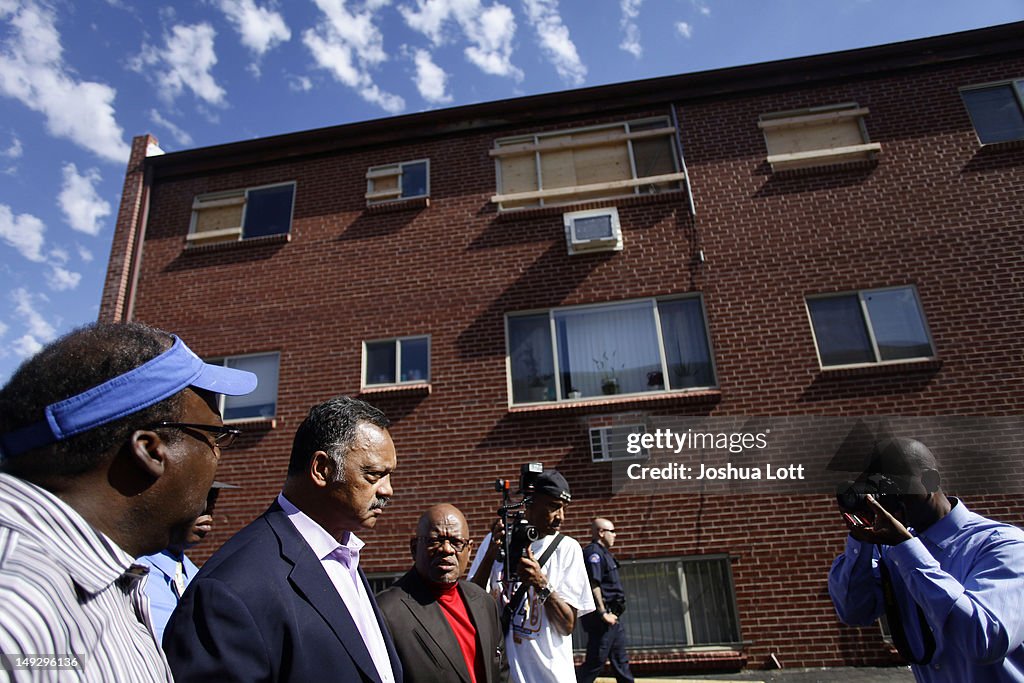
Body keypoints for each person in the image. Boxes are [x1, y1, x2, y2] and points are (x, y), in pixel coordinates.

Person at [0, 321, 256, 682]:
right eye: (215, 437)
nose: (217, 455)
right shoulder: (17, 607)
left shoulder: (105, 578)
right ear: (151, 451)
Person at [163, 395, 402, 683]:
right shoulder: (230, 589)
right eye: (374, 475)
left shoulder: (344, 554)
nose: (387, 490)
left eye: (389, 475)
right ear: (321, 469)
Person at [828, 438, 1024, 682]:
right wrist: (861, 538)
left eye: (893, 486)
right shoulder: (893, 552)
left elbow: (984, 641)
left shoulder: (1003, 545)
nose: (886, 499)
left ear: (930, 481)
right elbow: (854, 611)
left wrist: (907, 550)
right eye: (876, 490)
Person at [468, 470, 594, 683]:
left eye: (564, 508)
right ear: (530, 502)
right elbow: (471, 602)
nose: (561, 517)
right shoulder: (496, 540)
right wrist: (491, 555)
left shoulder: (567, 549)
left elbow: (567, 625)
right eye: (554, 506)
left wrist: (541, 583)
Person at [377, 504, 509, 683]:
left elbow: (501, 674)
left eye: (456, 542)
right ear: (414, 548)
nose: (447, 549)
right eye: (435, 541)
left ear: (469, 550)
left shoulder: (484, 602)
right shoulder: (386, 611)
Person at [136, 480, 237, 642]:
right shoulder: (129, 574)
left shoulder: (198, 577)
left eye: (212, 501)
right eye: (200, 499)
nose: (208, 512)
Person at [577, 518, 634, 683]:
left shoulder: (605, 553)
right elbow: (593, 583)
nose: (615, 535)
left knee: (621, 662)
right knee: (595, 662)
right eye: (612, 531)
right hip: (602, 620)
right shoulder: (593, 553)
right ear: (601, 532)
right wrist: (602, 613)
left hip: (613, 618)